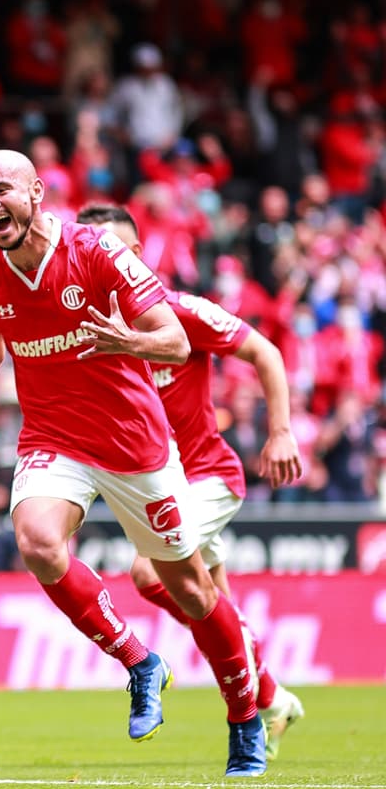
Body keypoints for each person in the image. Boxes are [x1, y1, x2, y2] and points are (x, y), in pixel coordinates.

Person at [0, 149, 266, 777]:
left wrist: (129, 341)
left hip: (135, 445)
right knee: (37, 542)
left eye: (2, 190)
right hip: (54, 439)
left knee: (191, 588)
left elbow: (175, 340)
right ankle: (140, 661)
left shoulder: (96, 250)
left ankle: (246, 717)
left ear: (36, 192)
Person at [76, 203, 306, 758]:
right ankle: (271, 700)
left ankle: (256, 707)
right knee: (212, 608)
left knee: (149, 571)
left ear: (135, 255)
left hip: (207, 477)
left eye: (111, 247)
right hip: (156, 485)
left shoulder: (179, 312)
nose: (98, 257)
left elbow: (265, 351)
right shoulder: (82, 330)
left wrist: (280, 432)